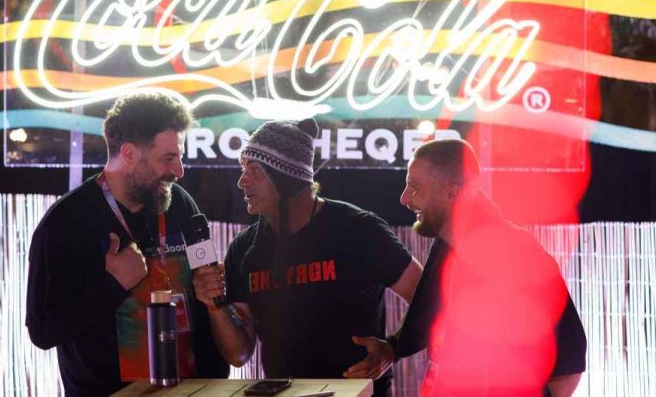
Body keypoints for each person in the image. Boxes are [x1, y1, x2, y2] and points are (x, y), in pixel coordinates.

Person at [192, 118, 423, 397]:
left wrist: (393, 348)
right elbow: (239, 354)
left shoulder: (358, 229)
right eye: (243, 170)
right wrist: (215, 306)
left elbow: (426, 299)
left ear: (284, 178)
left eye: (254, 170)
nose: (242, 181)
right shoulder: (244, 249)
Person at [25, 91, 229, 396]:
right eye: (168, 159)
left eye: (180, 156)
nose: (179, 171)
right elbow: (43, 332)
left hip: (190, 390)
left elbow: (207, 280)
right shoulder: (65, 223)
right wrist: (113, 285)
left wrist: (210, 284)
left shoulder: (181, 204)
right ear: (130, 154)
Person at [353, 139, 587, 396]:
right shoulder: (446, 246)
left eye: (415, 188)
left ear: (452, 193)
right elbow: (423, 320)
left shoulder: (518, 254)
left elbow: (569, 363)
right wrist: (390, 348)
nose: (404, 198)